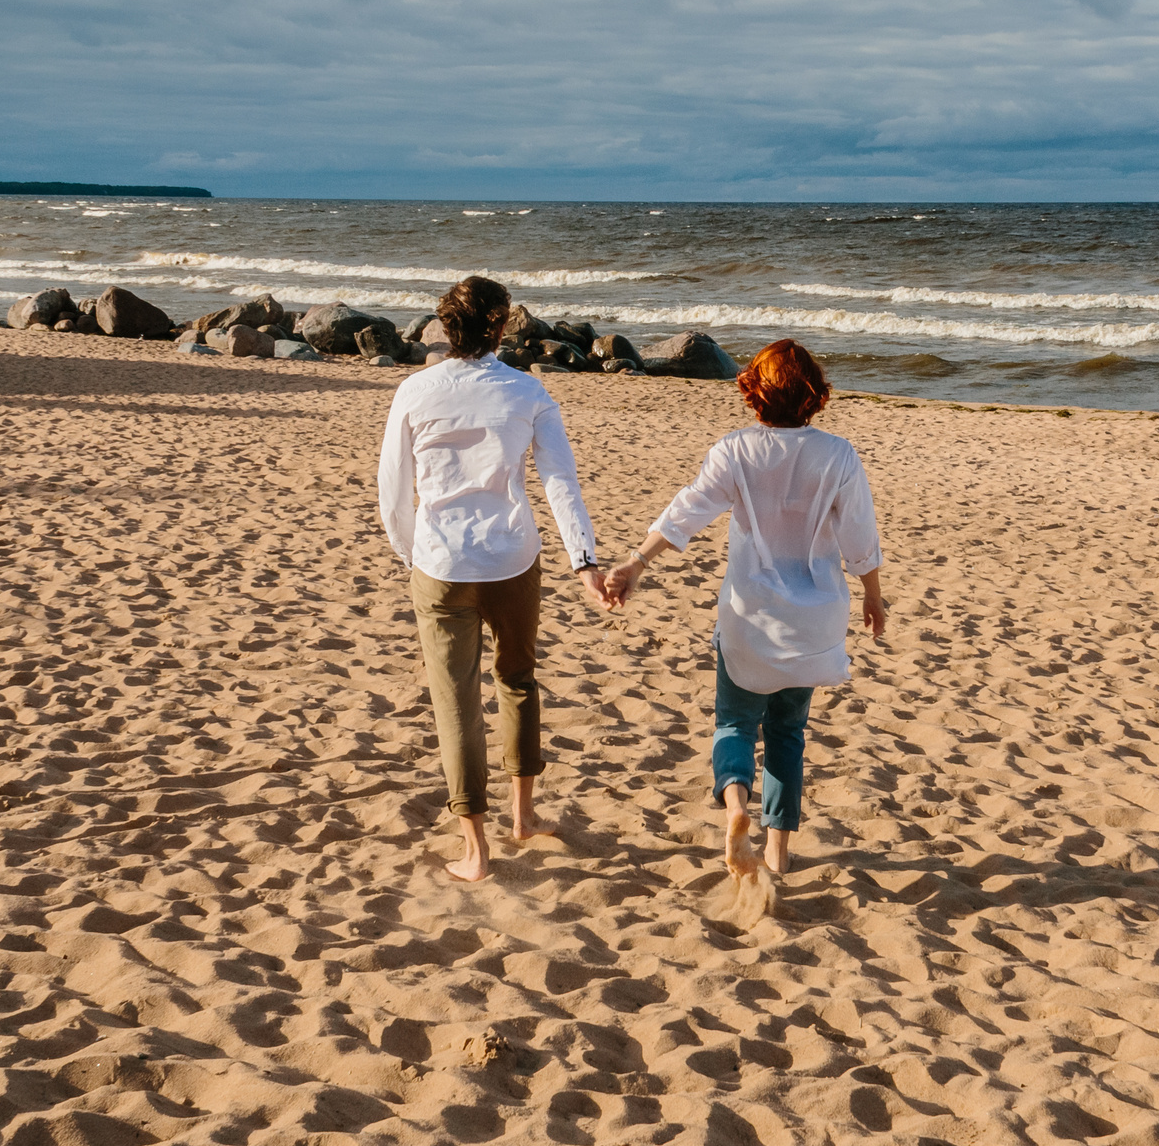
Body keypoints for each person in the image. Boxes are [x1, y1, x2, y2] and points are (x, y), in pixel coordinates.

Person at [604, 339, 883, 927]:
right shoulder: (838, 456)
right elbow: (859, 537)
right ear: (814, 393)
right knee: (789, 733)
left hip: (748, 618)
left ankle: (736, 806)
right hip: (812, 623)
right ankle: (777, 858)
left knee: (734, 723)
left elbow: (688, 509)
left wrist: (635, 562)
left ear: (754, 391)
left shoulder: (735, 449)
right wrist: (874, 596)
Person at [378, 275, 610, 884]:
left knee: (455, 703)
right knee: (518, 681)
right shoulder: (527, 392)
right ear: (502, 325)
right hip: (512, 557)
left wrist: (415, 555)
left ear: (443, 327)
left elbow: (392, 492)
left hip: (441, 564)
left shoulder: (414, 390)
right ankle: (523, 816)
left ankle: (476, 851)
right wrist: (583, 560)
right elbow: (560, 482)